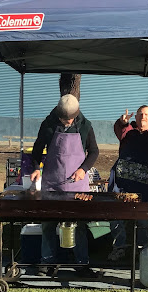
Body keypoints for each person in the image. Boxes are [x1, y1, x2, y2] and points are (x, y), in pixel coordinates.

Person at [30, 94, 99, 276]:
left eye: (69, 119)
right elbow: (37, 149)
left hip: (77, 185)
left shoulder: (85, 126)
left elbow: (94, 152)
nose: (67, 121)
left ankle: (82, 264)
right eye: (63, 118)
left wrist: (83, 169)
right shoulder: (48, 124)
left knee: (80, 226)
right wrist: (37, 168)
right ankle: (47, 262)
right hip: (52, 182)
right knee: (48, 224)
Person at [107, 105, 148, 260]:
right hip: (123, 182)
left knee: (144, 216)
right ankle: (119, 247)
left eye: (146, 114)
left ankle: (142, 249)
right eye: (140, 114)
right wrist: (122, 122)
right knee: (117, 215)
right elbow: (119, 129)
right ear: (135, 117)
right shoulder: (127, 131)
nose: (143, 116)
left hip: (145, 184)